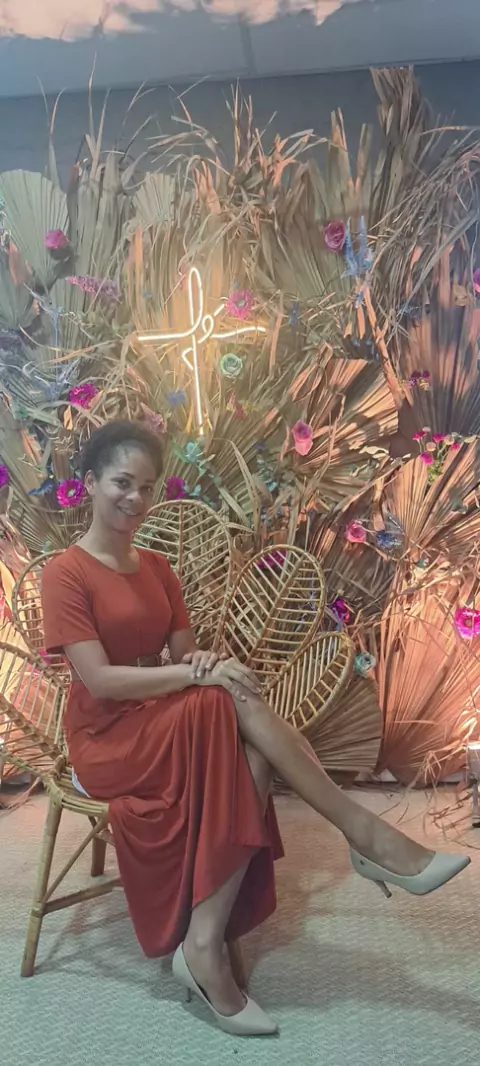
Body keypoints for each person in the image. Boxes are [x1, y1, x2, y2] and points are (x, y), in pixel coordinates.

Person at [41, 419, 470, 1037]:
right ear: (89, 483)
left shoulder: (157, 567)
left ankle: (205, 941)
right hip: (106, 739)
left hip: (159, 720)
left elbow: (185, 656)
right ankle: (366, 837)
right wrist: (200, 677)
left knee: (243, 727)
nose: (136, 498)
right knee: (222, 698)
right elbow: (101, 681)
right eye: (122, 483)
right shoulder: (66, 573)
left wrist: (205, 665)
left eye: (148, 487)